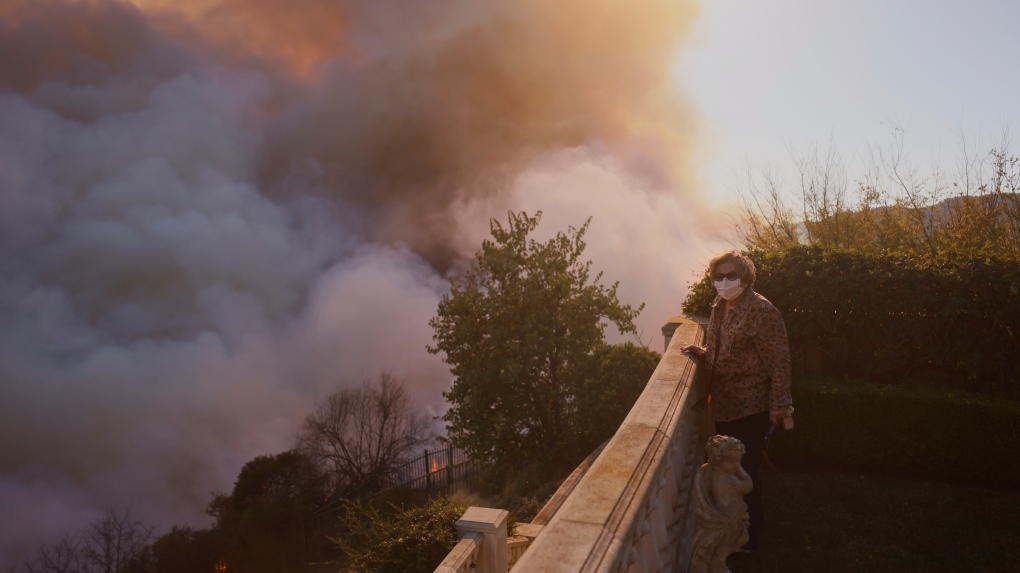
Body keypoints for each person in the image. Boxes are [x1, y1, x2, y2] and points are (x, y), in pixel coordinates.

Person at [680, 249, 793, 551]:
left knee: (745, 469)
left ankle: (750, 536)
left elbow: (779, 361)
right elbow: (721, 348)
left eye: (732, 275)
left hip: (751, 405)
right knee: (726, 468)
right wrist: (702, 353)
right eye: (719, 276)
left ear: (746, 277)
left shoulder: (762, 311)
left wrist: (780, 405)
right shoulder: (719, 306)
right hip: (725, 402)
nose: (725, 281)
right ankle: (729, 529)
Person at [690, 435, 753, 573]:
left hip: (731, 518)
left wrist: (734, 464)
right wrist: (740, 468)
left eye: (739, 462)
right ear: (718, 460)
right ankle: (718, 567)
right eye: (733, 462)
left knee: (728, 547)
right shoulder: (725, 480)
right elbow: (748, 485)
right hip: (726, 522)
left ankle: (717, 566)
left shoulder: (713, 471)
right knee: (723, 550)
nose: (736, 466)